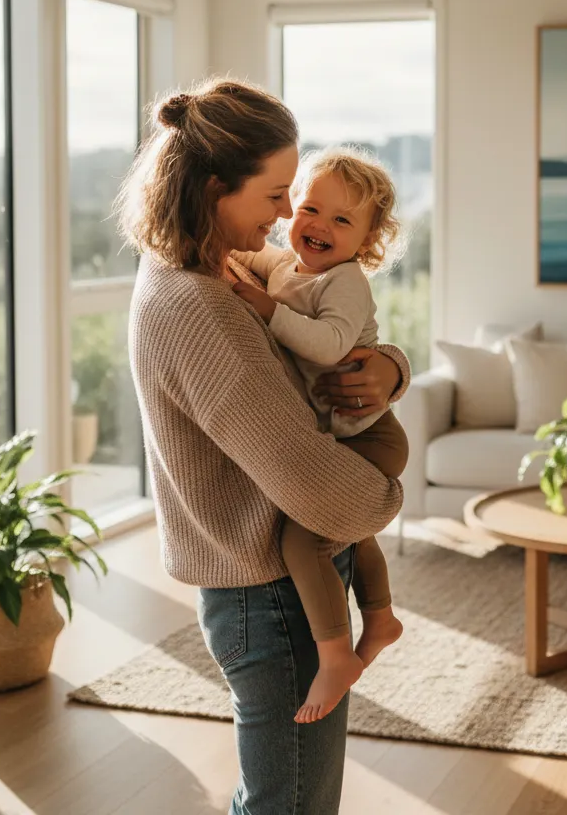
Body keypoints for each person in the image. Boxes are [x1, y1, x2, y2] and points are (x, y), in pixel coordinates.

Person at [117, 77, 408, 815]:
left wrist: (389, 369)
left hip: (270, 581)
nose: (287, 215)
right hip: (271, 594)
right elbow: (308, 476)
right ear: (217, 187)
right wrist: (386, 495)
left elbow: (318, 349)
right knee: (290, 805)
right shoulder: (200, 303)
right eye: (278, 194)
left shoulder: (212, 263)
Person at [231, 146, 407, 725]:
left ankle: (336, 654)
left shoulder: (345, 282)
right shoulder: (288, 267)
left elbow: (331, 346)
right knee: (349, 533)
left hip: (372, 434)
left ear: (369, 238)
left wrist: (264, 309)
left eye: (342, 220)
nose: (320, 227)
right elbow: (249, 261)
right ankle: (379, 620)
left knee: (305, 540)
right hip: (349, 431)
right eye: (310, 209)